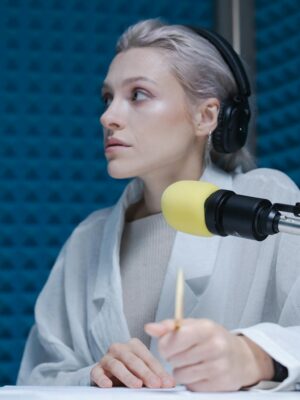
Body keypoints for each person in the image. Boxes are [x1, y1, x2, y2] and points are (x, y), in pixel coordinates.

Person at [17, 19, 300, 392]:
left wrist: (256, 356)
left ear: (207, 116)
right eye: (107, 98)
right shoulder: (89, 239)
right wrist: (93, 377)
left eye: (137, 95)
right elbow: (38, 376)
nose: (108, 117)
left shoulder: (264, 203)